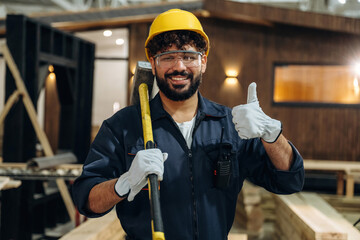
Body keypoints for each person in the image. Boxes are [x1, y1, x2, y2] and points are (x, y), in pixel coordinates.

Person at [72, 9, 304, 240]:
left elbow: (289, 180)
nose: (179, 66)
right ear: (153, 64)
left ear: (203, 62)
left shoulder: (230, 126)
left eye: (189, 56)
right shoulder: (122, 127)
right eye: (168, 57)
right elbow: (86, 199)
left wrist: (272, 136)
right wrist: (122, 184)